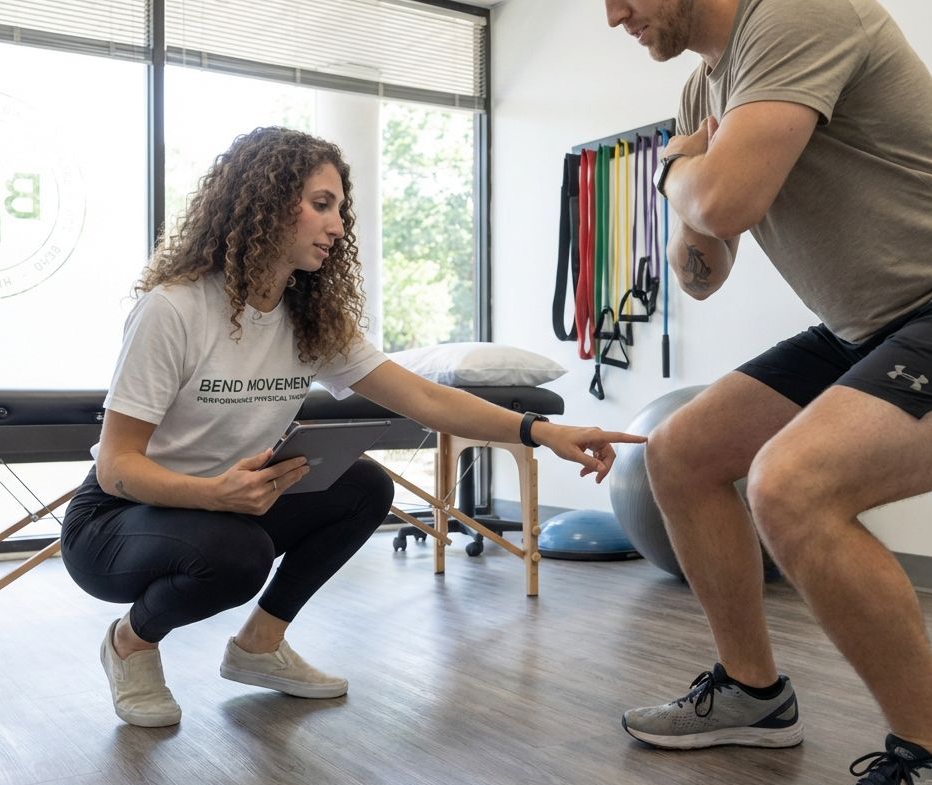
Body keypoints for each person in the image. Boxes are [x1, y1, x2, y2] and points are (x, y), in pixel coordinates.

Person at [604, 0, 932, 785]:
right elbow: (701, 273)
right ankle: (753, 696)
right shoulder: (704, 95)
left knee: (793, 485)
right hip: (871, 324)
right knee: (680, 451)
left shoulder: (795, 15)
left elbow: (722, 203)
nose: (612, 16)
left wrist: (678, 170)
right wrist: (691, 183)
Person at [60, 126, 646, 729]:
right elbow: (118, 466)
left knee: (363, 485)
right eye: (321, 204)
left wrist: (541, 431)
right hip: (115, 522)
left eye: (340, 208)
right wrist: (213, 494)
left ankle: (259, 646)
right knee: (239, 554)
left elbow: (423, 396)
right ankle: (130, 645)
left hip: (223, 507)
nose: (338, 226)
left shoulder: (308, 318)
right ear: (262, 202)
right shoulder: (175, 308)